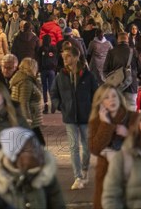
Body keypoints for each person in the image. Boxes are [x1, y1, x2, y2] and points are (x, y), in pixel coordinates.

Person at [51, 46, 98, 190]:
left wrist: (93, 109)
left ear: (76, 57)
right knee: (73, 147)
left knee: (87, 147)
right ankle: (77, 176)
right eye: (64, 57)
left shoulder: (88, 76)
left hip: (85, 115)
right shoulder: (61, 76)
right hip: (70, 116)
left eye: (68, 57)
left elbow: (96, 94)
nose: (65, 60)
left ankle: (84, 169)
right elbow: (54, 93)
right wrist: (60, 106)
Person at [0, 127, 66, 208]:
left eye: (38, 146)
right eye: (33, 149)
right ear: (15, 155)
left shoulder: (46, 177)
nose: (40, 152)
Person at [88, 84, 138, 209]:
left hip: (130, 173)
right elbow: (95, 148)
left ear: (120, 98)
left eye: (114, 96)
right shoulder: (96, 121)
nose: (112, 100)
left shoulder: (133, 117)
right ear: (100, 102)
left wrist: (127, 134)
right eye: (106, 97)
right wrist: (106, 124)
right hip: (106, 175)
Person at [103, 32, 141, 110]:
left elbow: (105, 70)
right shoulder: (134, 52)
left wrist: (110, 81)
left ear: (118, 40)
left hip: (116, 86)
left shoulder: (112, 52)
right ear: (127, 40)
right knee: (131, 108)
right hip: (131, 85)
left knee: (117, 110)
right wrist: (138, 79)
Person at [10, 57, 45, 145]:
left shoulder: (23, 78)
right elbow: (23, 101)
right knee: (39, 144)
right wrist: (27, 119)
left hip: (27, 118)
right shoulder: (26, 82)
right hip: (29, 119)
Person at [37, 34, 58, 114]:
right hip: (52, 70)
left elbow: (38, 59)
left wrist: (39, 69)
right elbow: (56, 58)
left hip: (43, 70)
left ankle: (46, 106)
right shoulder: (53, 48)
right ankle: (53, 105)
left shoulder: (41, 49)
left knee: (44, 89)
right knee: (51, 88)